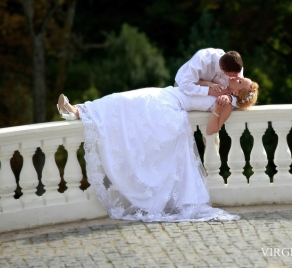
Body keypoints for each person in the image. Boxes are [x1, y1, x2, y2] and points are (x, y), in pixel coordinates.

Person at [56, 78, 259, 222]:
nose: (237, 78)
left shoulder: (227, 103)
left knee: (127, 103)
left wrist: (217, 106)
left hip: (170, 105)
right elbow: (189, 83)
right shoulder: (220, 85)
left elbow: (211, 129)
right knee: (124, 98)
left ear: (238, 93)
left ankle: (79, 111)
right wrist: (208, 85)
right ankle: (80, 110)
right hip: (167, 93)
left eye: (241, 82)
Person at [175, 48, 244, 108]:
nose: (237, 77)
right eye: (232, 75)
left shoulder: (236, 69)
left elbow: (242, 95)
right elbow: (185, 85)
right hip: (182, 87)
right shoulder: (202, 58)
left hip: (212, 97)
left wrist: (229, 97)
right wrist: (210, 91)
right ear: (222, 68)